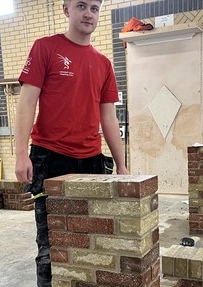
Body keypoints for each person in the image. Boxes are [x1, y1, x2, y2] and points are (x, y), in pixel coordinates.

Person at [14, 0, 129, 286]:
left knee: (93, 241)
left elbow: (109, 119)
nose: (88, 13)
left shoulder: (103, 63)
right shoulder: (46, 48)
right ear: (66, 10)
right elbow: (26, 103)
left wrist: (123, 165)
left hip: (91, 161)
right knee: (52, 247)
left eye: (94, 7)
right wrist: (20, 154)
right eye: (81, 6)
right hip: (50, 158)